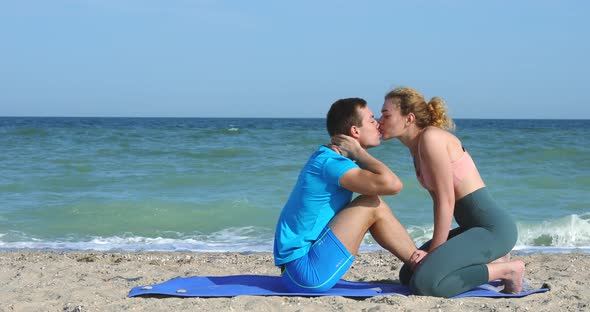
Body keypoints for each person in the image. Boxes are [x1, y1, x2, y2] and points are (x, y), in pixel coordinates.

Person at [378, 87, 525, 298]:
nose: (380, 120)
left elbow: (446, 201)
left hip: (493, 229)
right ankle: (493, 261)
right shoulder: (416, 148)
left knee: (425, 284)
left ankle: (507, 270)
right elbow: (439, 200)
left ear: (408, 118)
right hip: (472, 229)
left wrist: (434, 252)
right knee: (408, 274)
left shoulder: (431, 138)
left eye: (386, 114)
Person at [273, 97, 418, 292]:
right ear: (355, 131)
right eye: (371, 119)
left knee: (373, 203)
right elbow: (393, 185)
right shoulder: (331, 163)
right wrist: (359, 153)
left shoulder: (330, 158)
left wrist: (357, 155)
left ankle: (416, 261)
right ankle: (419, 263)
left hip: (301, 270)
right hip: (303, 273)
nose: (377, 124)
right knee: (371, 203)